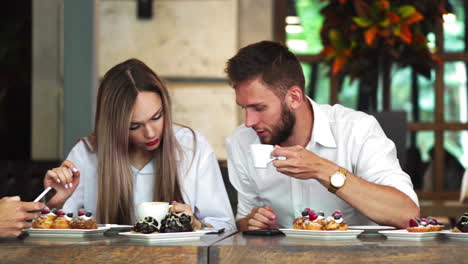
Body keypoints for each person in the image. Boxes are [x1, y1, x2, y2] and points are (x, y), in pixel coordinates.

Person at [224, 41, 419, 230]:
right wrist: (254, 222)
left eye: (259, 108)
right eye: (244, 108)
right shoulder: (241, 141)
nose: (249, 121)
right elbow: (243, 220)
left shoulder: (356, 129)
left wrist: (324, 170)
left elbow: (406, 215)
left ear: (294, 97)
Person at [43, 59, 235, 230]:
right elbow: (60, 233)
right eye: (134, 126)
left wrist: (195, 224)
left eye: (157, 117)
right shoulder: (86, 153)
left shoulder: (192, 146)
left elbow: (224, 226)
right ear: (113, 126)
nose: (150, 133)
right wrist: (56, 205)